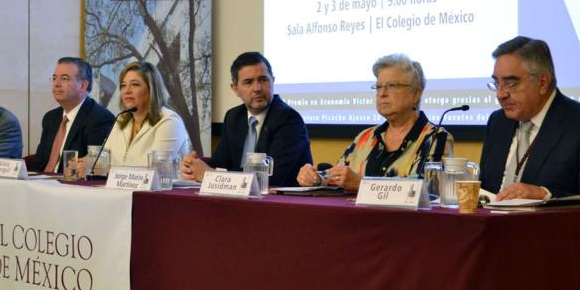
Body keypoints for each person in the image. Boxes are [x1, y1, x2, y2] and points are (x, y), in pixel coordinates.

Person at [296, 54, 453, 191]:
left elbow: (425, 191)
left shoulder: (436, 138)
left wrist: (362, 184)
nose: (382, 94)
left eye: (392, 86)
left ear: (416, 94)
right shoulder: (366, 137)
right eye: (378, 87)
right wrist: (316, 177)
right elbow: (340, 175)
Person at [480, 36, 580, 200]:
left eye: (511, 83)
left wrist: (544, 194)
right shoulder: (498, 122)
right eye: (497, 83)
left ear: (543, 82)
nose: (500, 94)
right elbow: (486, 187)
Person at [181, 51, 312, 186]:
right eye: (248, 82)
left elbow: (272, 178)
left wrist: (208, 174)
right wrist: (194, 166)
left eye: (263, 79)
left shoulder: (289, 119)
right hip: (239, 200)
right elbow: (220, 163)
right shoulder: (233, 117)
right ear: (235, 89)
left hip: (279, 203)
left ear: (273, 81)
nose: (257, 88)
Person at [31, 57, 115, 173]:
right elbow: (39, 163)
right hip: (42, 184)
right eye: (54, 78)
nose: (56, 84)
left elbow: (97, 166)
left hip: (71, 186)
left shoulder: (99, 118)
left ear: (83, 85)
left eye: (64, 79)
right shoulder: (50, 118)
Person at [103, 61, 189, 166]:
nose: (127, 91)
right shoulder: (121, 119)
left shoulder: (170, 122)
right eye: (123, 85)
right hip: (119, 182)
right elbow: (103, 161)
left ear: (151, 89)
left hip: (160, 183)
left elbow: (153, 171)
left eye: (135, 84)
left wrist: (109, 170)